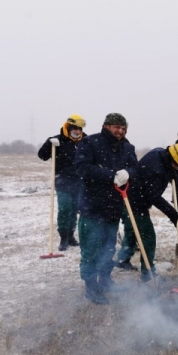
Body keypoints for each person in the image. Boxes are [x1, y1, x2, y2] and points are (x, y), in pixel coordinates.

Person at [75, 113, 138, 305]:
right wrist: (111, 175)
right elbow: (82, 168)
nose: (120, 131)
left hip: (114, 208)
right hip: (92, 207)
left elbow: (136, 169)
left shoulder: (128, 147)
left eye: (123, 128)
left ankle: (105, 280)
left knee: (108, 247)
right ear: (106, 126)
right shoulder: (90, 143)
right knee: (91, 250)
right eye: (116, 127)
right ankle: (90, 287)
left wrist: (128, 172)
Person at [116, 144, 178, 281]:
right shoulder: (155, 170)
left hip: (131, 199)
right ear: (171, 158)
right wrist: (173, 215)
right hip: (134, 203)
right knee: (148, 237)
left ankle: (122, 259)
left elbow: (169, 172)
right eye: (176, 165)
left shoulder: (161, 153)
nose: (177, 168)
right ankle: (148, 273)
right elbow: (154, 197)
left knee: (132, 232)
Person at [37, 114, 86, 251]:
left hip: (79, 181)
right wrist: (48, 144)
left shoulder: (85, 141)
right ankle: (63, 238)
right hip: (62, 181)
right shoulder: (57, 140)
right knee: (65, 208)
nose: (77, 132)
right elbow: (42, 156)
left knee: (75, 209)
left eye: (80, 129)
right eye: (75, 129)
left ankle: (71, 236)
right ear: (68, 127)